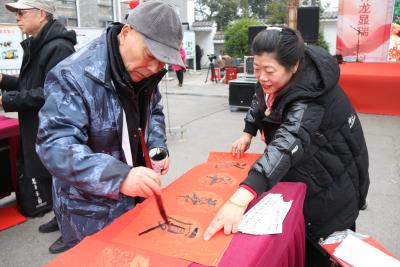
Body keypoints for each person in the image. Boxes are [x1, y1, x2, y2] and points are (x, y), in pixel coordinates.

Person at [203, 27, 369, 267]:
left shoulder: (311, 94)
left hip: (331, 177)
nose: (261, 77)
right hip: (308, 166)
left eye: (269, 71)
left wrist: (240, 199)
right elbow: (259, 98)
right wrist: (248, 132)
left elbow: (289, 140)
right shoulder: (275, 78)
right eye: (257, 69)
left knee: (324, 248)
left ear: (294, 66)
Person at [36, 1, 185, 254]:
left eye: (162, 62)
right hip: (91, 211)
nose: (153, 68)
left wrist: (156, 146)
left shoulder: (145, 72)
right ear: (126, 33)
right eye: (150, 55)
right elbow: (55, 147)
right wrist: (120, 176)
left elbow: (154, 111)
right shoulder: (73, 75)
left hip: (137, 197)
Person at [0, 0, 76, 237]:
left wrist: (6, 101)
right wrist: (3, 80)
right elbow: (29, 85)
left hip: (54, 129)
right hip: (39, 127)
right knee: (47, 179)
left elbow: (51, 93)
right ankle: (59, 216)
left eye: (21, 13)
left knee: (60, 181)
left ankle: (71, 230)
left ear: (41, 14)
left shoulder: (59, 47)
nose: (17, 18)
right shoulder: (37, 44)